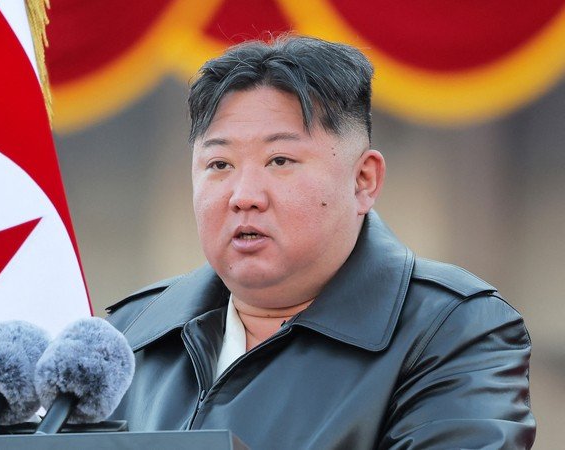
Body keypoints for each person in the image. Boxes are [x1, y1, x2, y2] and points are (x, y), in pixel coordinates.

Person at [107, 35, 535, 449]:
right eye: (219, 164)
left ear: (363, 180)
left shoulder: (451, 330)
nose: (244, 196)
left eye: (280, 160)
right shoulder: (129, 335)